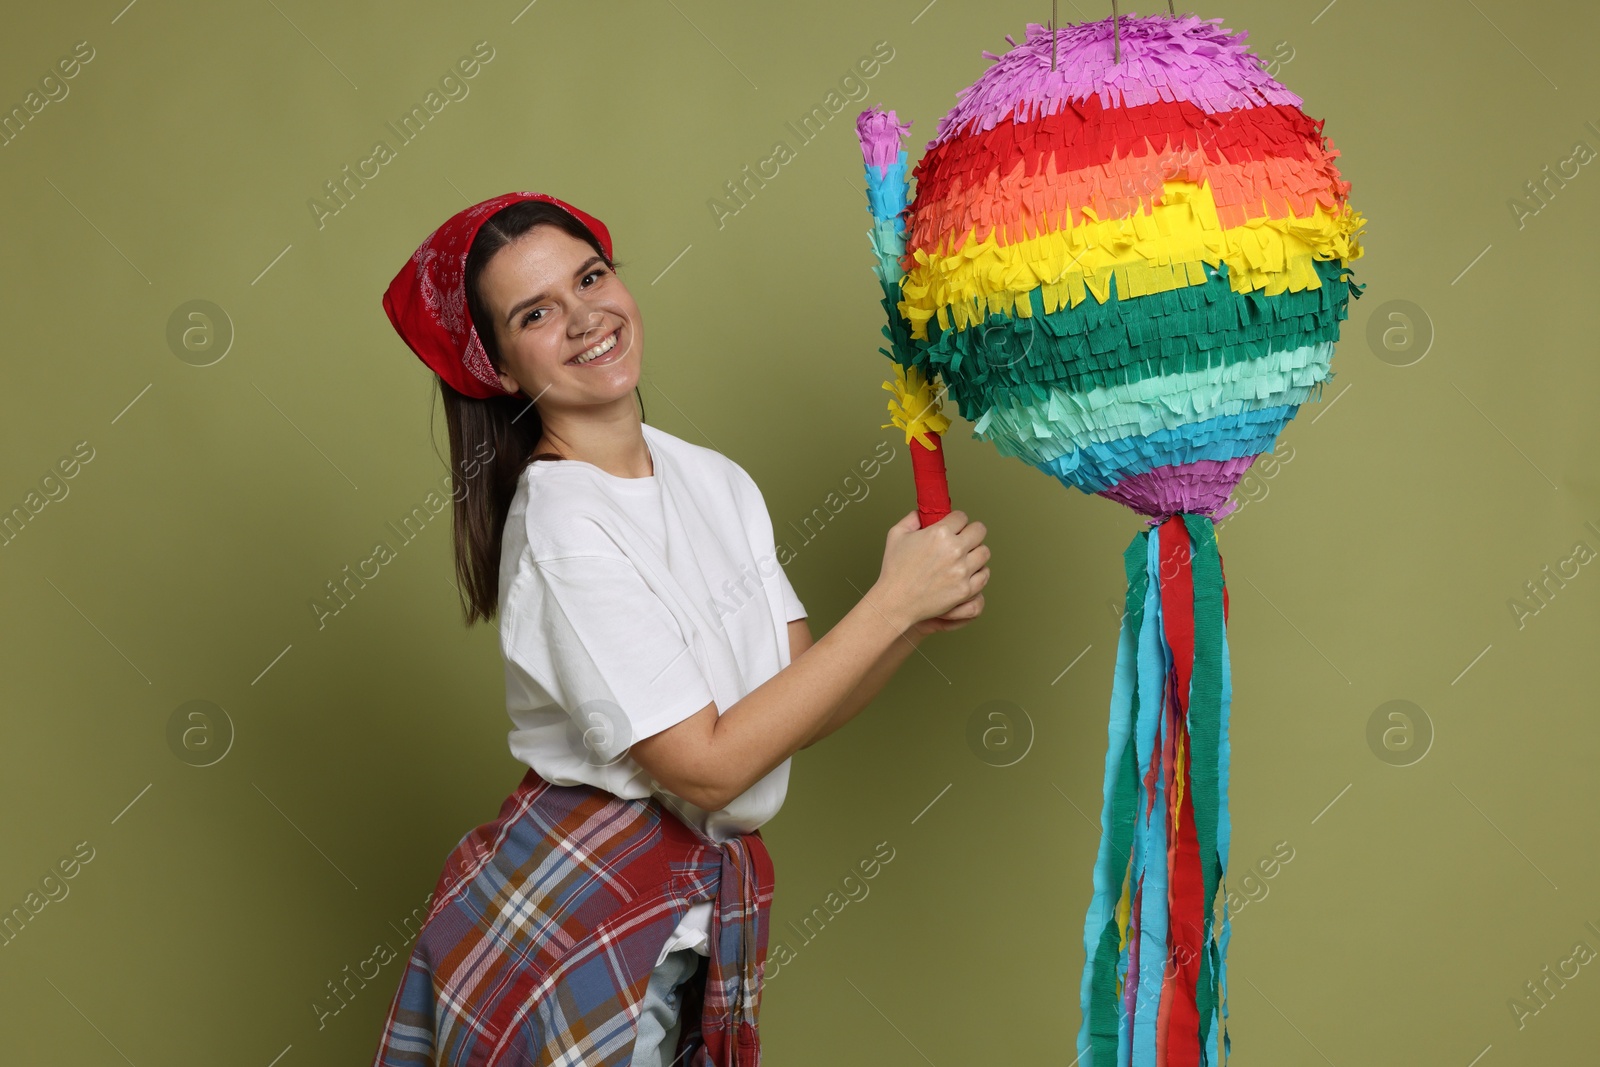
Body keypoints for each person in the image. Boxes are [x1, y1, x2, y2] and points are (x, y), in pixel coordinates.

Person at [369, 191, 990, 1067]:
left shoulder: (714, 479)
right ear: (500, 369)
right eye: (537, 312)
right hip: (584, 913)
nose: (586, 316)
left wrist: (914, 620)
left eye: (591, 277)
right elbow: (707, 763)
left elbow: (794, 692)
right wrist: (889, 602)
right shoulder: (560, 524)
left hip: (675, 918)